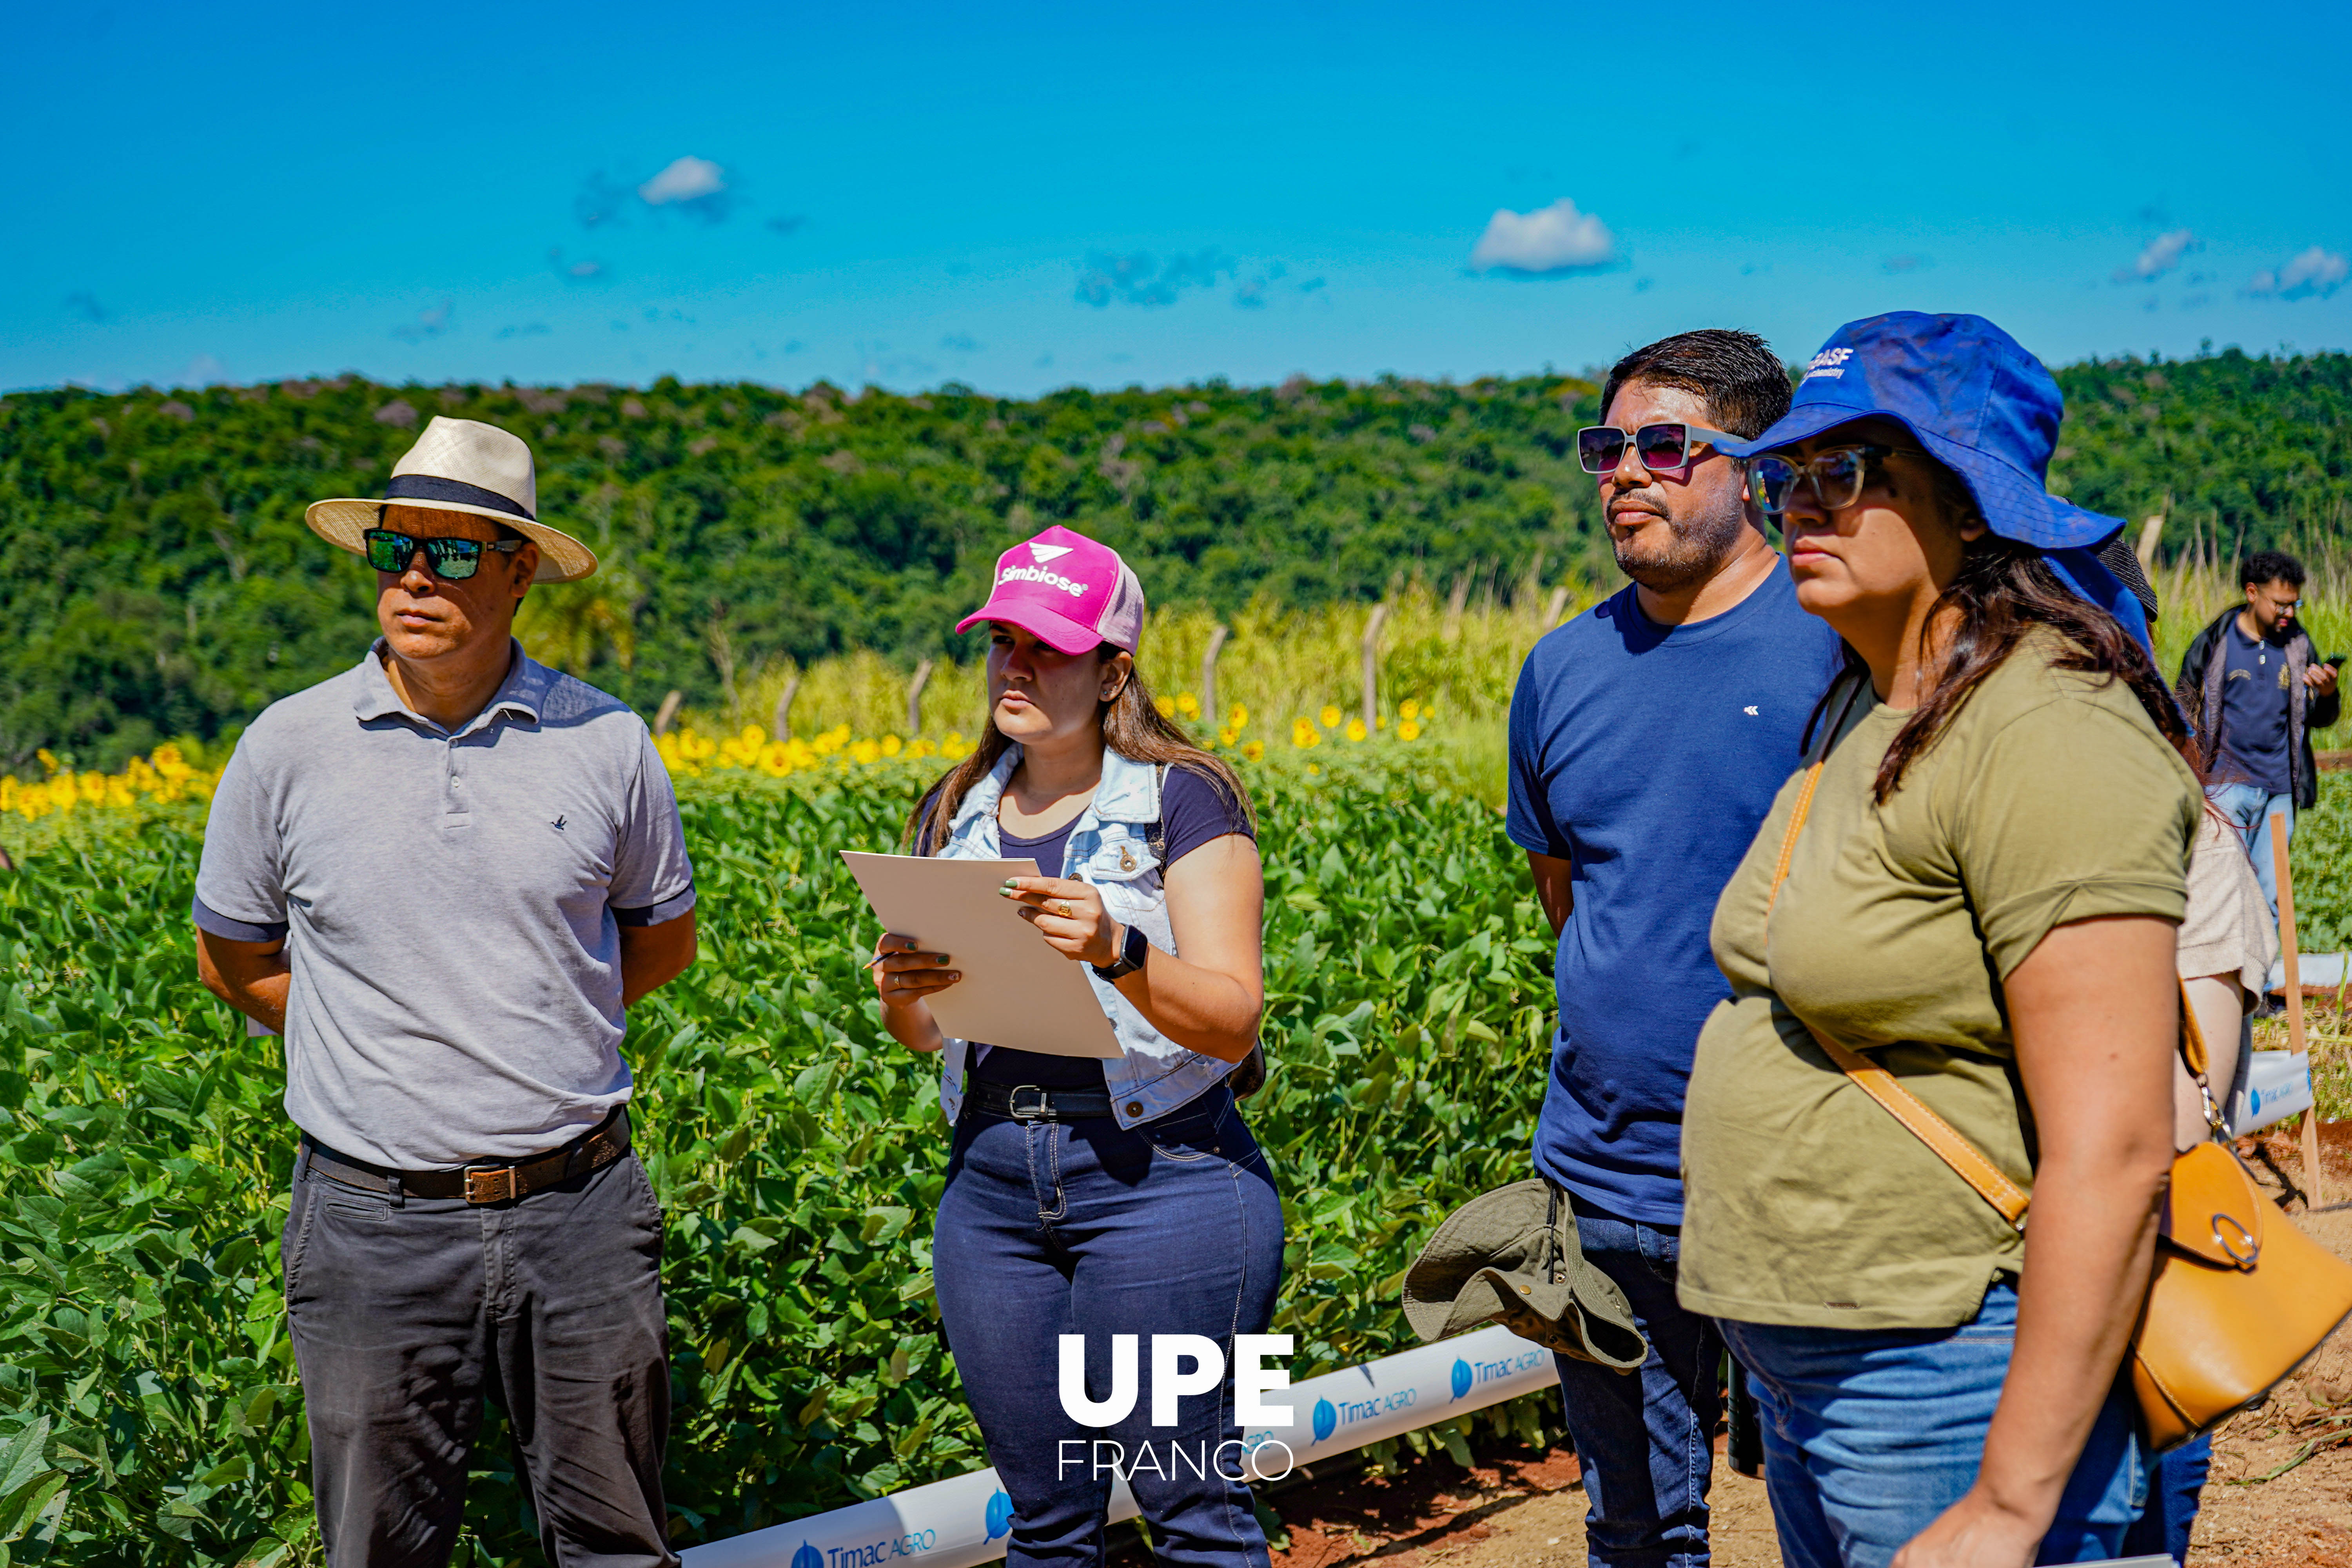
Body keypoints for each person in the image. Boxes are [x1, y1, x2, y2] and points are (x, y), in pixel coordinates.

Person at [1679, 311, 2198, 1568]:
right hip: (1832, 1364)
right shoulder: (1868, 700)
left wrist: (2012, 1504)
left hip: (1955, 1367)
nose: (1798, 505)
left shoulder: (2044, 728)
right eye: (1781, 477)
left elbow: (2116, 1146)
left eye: (1843, 474)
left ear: (1970, 510)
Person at [193, 417, 698, 1566]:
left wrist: (516, 1017)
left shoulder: (608, 741)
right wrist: (367, 1027)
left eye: (455, 553)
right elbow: (233, 954)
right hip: (372, 1222)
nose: (416, 576)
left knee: (616, 1538)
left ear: (521, 571)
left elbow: (658, 941)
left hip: (582, 1211)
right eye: (395, 549)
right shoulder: (286, 747)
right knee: (378, 1546)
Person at [870, 524, 1281, 1568]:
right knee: (1046, 1522)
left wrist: (1118, 947)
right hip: (993, 1188)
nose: (1016, 663)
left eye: (1046, 645)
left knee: (1187, 1504)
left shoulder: (1184, 797)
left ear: (1112, 671)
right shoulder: (954, 806)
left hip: (1167, 1182)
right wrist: (903, 993)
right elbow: (924, 1036)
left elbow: (1235, 1020)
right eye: (1003, 639)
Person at [1505, 329, 1843, 1565]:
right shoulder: (1560, 667)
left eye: (1663, 445)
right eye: (1607, 448)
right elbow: (1571, 893)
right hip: (1603, 1177)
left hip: (1803, 1172)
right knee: (1636, 1528)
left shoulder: (1834, 642)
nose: (1625, 473)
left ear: (1747, 464)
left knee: (1843, 1514)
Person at [2174, 548, 2341, 918]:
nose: (2289, 614)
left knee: (2270, 896)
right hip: (2225, 788)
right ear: (2252, 593)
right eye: (2281, 604)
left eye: (2295, 604)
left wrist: (2327, 693)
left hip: (2280, 791)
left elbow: (2320, 718)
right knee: (2222, 889)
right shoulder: (2215, 642)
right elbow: (2183, 706)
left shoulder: (2299, 646)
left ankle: (2261, 978)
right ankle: (2222, 976)